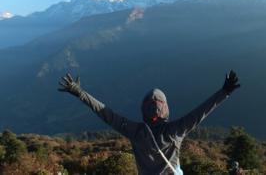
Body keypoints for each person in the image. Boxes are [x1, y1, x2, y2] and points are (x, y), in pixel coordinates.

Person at [58, 70, 240, 175]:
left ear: (143, 110)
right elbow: (202, 112)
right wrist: (225, 92)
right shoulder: (176, 131)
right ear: (165, 109)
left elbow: (104, 112)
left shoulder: (134, 131)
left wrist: (78, 91)